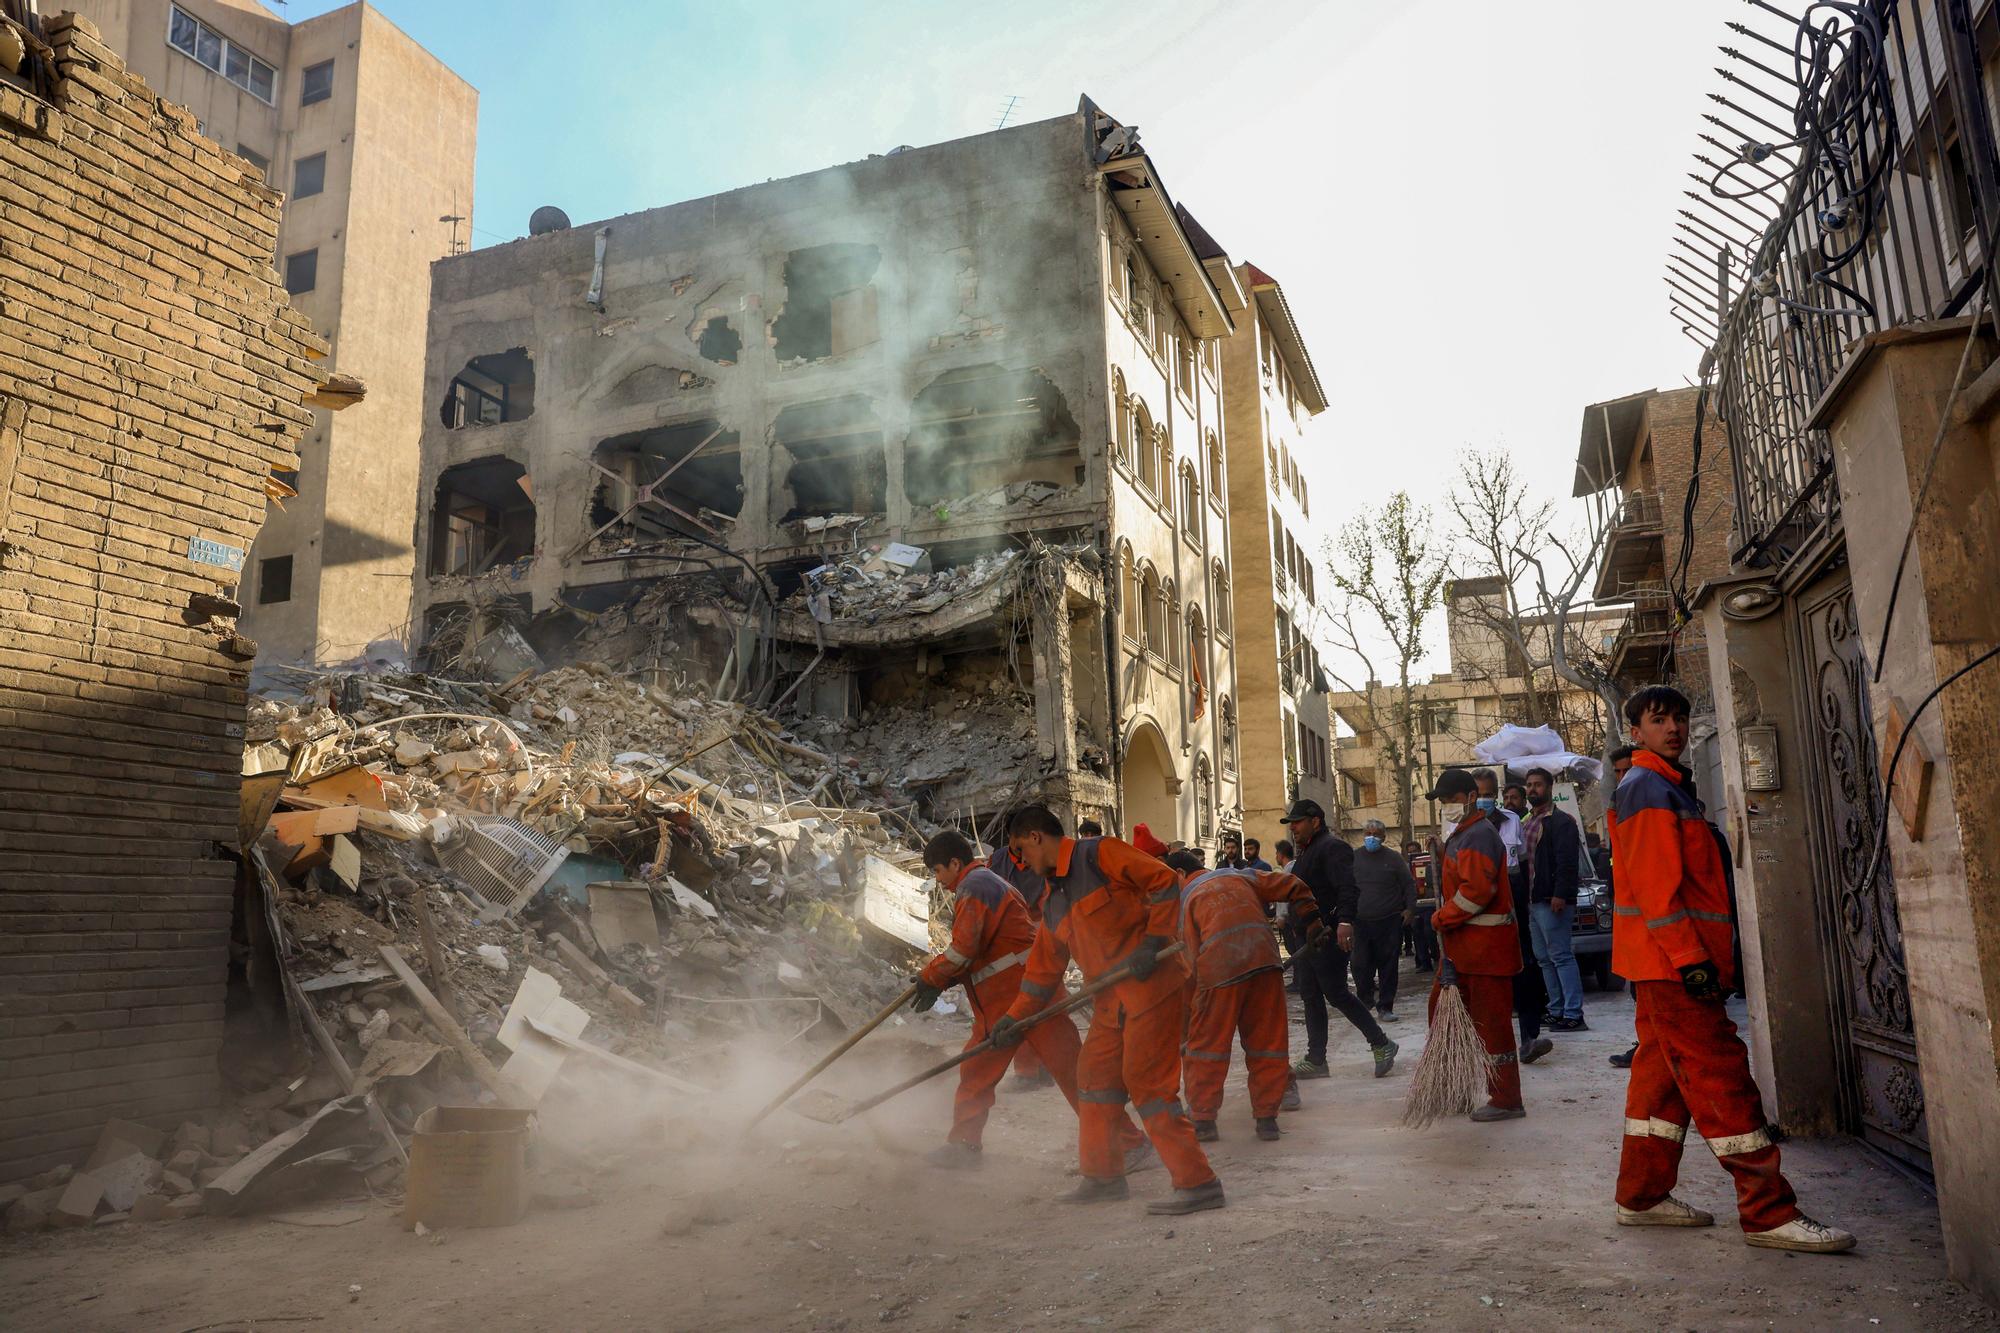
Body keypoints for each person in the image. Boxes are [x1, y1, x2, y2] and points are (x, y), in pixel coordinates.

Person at [1610, 686, 1853, 1252]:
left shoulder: (1665, 787)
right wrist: (1694, 961)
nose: (1672, 727)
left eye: (1679, 717)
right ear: (1636, 732)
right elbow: (1656, 890)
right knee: (1724, 1079)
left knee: (1660, 1084)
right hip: (1675, 965)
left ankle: (1640, 1197)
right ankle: (1768, 1214)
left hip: (1662, 964)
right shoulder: (1648, 787)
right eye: (1658, 719)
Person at [993, 807, 1223, 1214]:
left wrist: (1153, 942)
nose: (1020, 862)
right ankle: (1103, 1177)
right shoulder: (1053, 901)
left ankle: (1198, 1182)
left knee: (1147, 1084)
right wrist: (1014, 1018)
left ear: (1034, 837)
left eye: (1019, 851)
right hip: (1110, 1001)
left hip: (1152, 987)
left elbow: (1165, 881)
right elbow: (1041, 972)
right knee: (1093, 1078)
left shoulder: (1099, 854)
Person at [912, 831, 1146, 1169]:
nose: (938, 880)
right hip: (1017, 995)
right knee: (982, 1072)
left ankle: (1128, 1142)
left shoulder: (975, 887)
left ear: (954, 863)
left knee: (1069, 1072)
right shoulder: (987, 882)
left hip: (1021, 996)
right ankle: (963, 1144)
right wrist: (937, 980)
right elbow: (984, 950)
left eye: (937, 871)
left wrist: (931, 977)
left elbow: (964, 948)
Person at [1167, 857, 1325, 1143]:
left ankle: (1203, 1120)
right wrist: (1312, 919)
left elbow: (1188, 965)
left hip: (1219, 973)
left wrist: (1189, 1017)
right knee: (1267, 1044)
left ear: (1180, 873)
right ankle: (1267, 1120)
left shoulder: (1186, 898)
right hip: (1264, 963)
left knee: (1207, 1048)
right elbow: (1293, 884)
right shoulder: (1243, 876)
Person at [1426, 768, 1525, 1121]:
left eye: (1450, 800)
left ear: (1469, 797)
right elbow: (1462, 879)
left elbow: (1477, 892)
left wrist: (1442, 918)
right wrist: (1441, 853)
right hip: (1464, 951)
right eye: (1441, 802)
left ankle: (1506, 1099)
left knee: (1491, 1027)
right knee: (1443, 1017)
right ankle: (1455, 1087)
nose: (1446, 806)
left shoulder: (1478, 836)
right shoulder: (1463, 835)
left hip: (1485, 953)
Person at [1282, 799, 1398, 1079]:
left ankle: (1382, 1043)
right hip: (1308, 937)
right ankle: (1316, 1059)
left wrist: (1344, 922)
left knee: (1336, 993)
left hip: (1327, 935)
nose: (1293, 828)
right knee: (1310, 995)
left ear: (1315, 821)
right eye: (1291, 823)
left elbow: (1348, 888)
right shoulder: (1308, 852)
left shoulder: (1332, 848)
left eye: (1297, 822)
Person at [1476, 770, 1551, 1065]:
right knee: (1489, 977)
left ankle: (1529, 1038)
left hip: (1513, 898)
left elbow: (1521, 863)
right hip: (1481, 902)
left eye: (1488, 794)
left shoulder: (1512, 823)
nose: (1484, 799)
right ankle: (1490, 1044)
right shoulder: (1462, 827)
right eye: (1478, 794)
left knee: (1525, 966)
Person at [988, 837, 1057, 1091]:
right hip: (1014, 941)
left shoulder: (1044, 858)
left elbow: (1051, 900)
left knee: (1039, 1004)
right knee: (1023, 1003)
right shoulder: (997, 861)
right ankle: (1030, 1071)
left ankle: (1043, 1069)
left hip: (1042, 935)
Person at [1523, 767, 1586, 1032]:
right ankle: (1556, 1008)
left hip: (1552, 900)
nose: (1532, 789)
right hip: (1532, 900)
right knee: (1543, 958)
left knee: (1560, 955)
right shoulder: (1528, 820)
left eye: (1537, 784)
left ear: (1550, 788)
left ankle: (1573, 1013)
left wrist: (1561, 894)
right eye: (1529, 785)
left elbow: (1567, 862)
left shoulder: (1562, 822)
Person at [1349, 819, 1417, 1022]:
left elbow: (1408, 885)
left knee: (1388, 966)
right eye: (1368, 833)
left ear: (1383, 837)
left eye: (1376, 834)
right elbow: (1344, 886)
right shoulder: (1354, 858)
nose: (1371, 837)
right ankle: (1365, 1002)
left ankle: (1386, 1006)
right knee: (1360, 965)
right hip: (1360, 922)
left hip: (1389, 921)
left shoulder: (1394, 858)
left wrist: (1410, 909)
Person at [1602, 746, 1639, 1071]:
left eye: (1628, 770)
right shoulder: (1619, 811)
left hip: (1653, 922)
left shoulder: (1646, 806)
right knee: (1638, 991)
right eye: (1618, 772)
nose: (1623, 778)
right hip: (1629, 917)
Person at [1405, 839, 1438, 971]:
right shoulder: (1407, 868)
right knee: (1417, 934)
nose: (1413, 854)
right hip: (1415, 904)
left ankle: (1435, 955)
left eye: (1415, 851)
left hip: (1429, 902)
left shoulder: (1430, 864)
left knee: (1429, 931)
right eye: (1410, 852)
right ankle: (1423, 962)